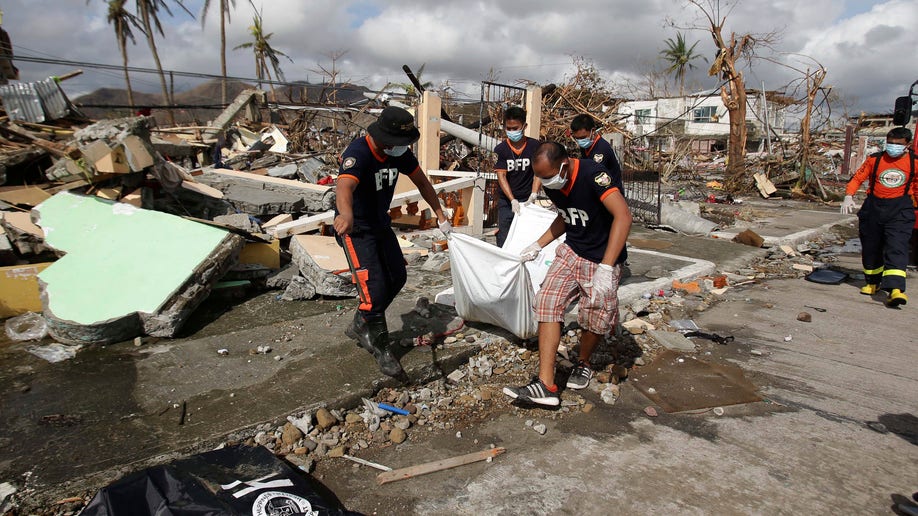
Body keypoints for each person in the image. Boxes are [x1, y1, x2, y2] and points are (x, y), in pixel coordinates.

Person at [503, 142, 632, 406]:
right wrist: (538, 244)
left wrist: (607, 267)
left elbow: (623, 216)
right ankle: (546, 385)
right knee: (547, 302)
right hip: (572, 251)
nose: (546, 182)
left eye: (549, 176)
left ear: (564, 164)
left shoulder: (593, 175)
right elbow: (566, 216)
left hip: (602, 257)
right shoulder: (554, 183)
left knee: (595, 316)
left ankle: (583, 361)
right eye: (541, 178)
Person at [334, 106, 452, 376]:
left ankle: (363, 319)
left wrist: (439, 213)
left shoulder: (398, 153)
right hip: (356, 230)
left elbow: (422, 182)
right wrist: (347, 215)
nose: (404, 148)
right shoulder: (359, 153)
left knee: (397, 277)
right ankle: (381, 346)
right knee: (373, 288)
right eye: (400, 143)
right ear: (384, 138)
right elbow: (344, 186)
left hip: (379, 224)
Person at [841, 126, 917, 307]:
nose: (893, 147)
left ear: (907, 146)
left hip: (900, 209)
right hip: (874, 207)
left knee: (896, 246)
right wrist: (848, 195)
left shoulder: (914, 162)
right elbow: (858, 178)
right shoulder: (875, 160)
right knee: (871, 246)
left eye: (898, 144)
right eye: (890, 143)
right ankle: (873, 282)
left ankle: (895, 290)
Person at [493, 106, 541, 247]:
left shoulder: (535, 146)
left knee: (526, 235)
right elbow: (501, 176)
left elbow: (538, 172)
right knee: (505, 234)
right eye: (509, 128)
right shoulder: (501, 150)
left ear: (524, 126)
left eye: (516, 128)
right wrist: (512, 200)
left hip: (527, 200)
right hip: (507, 202)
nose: (512, 132)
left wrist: (534, 193)